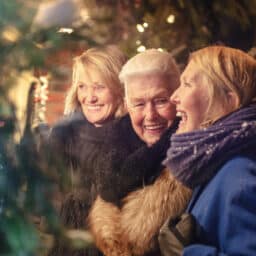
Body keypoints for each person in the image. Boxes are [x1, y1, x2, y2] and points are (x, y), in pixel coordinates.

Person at [87, 49, 191, 256]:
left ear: (178, 98)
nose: (150, 115)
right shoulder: (107, 158)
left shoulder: (196, 157)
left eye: (161, 101)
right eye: (139, 104)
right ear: (127, 106)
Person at [160, 46, 256, 255]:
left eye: (187, 84)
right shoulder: (218, 160)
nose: (174, 96)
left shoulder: (240, 175)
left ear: (229, 101)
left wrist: (189, 252)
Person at [47, 45, 130, 256]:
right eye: (83, 86)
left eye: (99, 87)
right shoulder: (61, 138)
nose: (89, 97)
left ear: (121, 89)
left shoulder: (135, 143)